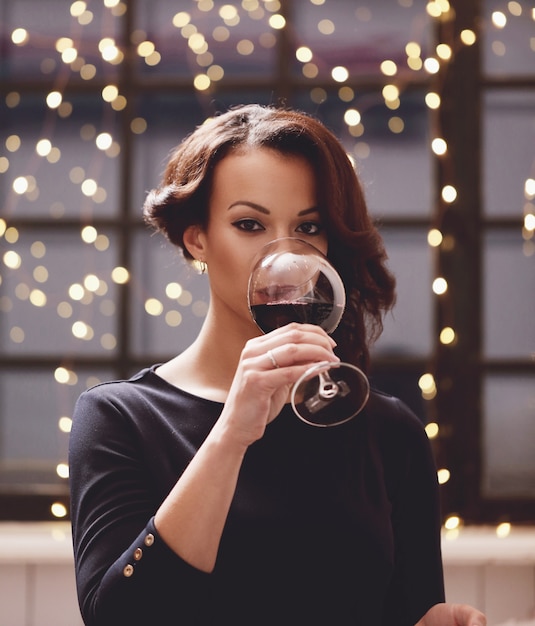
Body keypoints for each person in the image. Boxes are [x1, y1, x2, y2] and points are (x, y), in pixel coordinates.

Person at [69, 104, 486, 626]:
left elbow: (408, 612)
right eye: (249, 224)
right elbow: (120, 618)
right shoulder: (120, 418)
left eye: (308, 227)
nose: (285, 256)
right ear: (197, 237)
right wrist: (231, 435)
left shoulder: (390, 432)